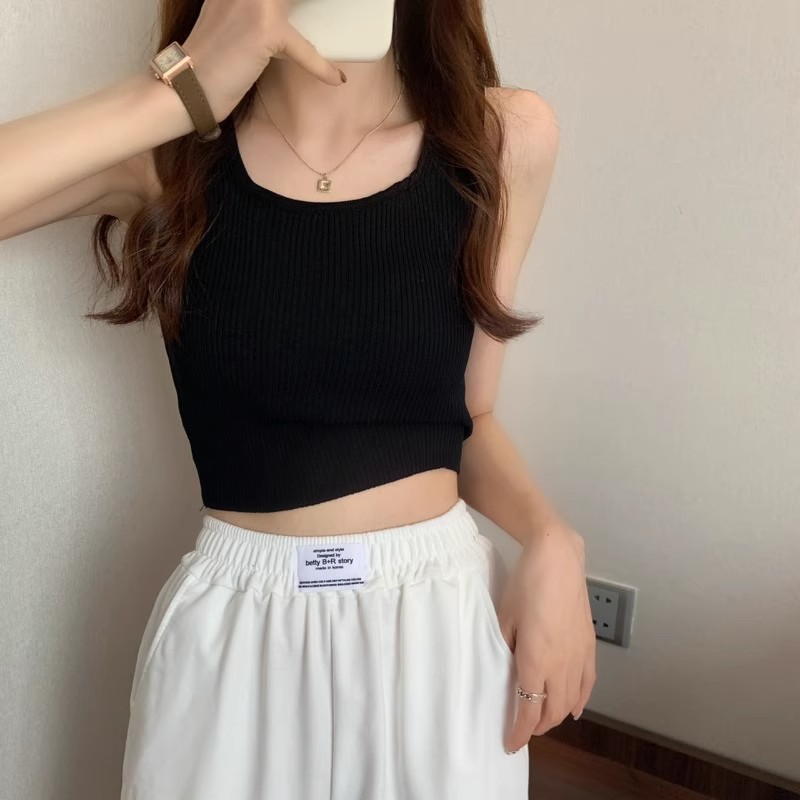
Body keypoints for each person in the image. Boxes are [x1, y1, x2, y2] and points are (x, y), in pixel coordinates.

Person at [0, 0, 596, 797]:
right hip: (235, 639)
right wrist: (179, 91)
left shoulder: (500, 139)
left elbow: (468, 416)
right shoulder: (166, 159)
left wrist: (552, 538)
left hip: (436, 629)